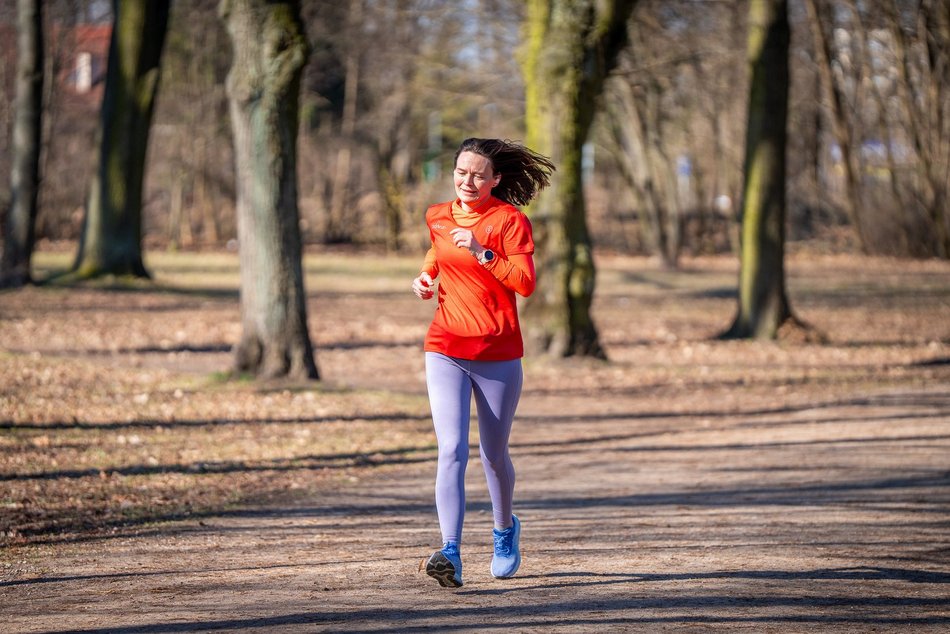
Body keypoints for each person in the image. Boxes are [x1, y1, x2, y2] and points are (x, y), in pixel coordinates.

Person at [411, 137, 554, 588]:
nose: (467, 181)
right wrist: (426, 275)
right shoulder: (437, 215)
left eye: (477, 174)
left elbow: (525, 284)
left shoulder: (509, 221)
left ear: (495, 180)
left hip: (497, 353)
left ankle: (504, 530)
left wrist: (481, 250)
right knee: (451, 450)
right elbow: (438, 250)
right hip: (445, 346)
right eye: (461, 172)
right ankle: (449, 551)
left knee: (493, 455)